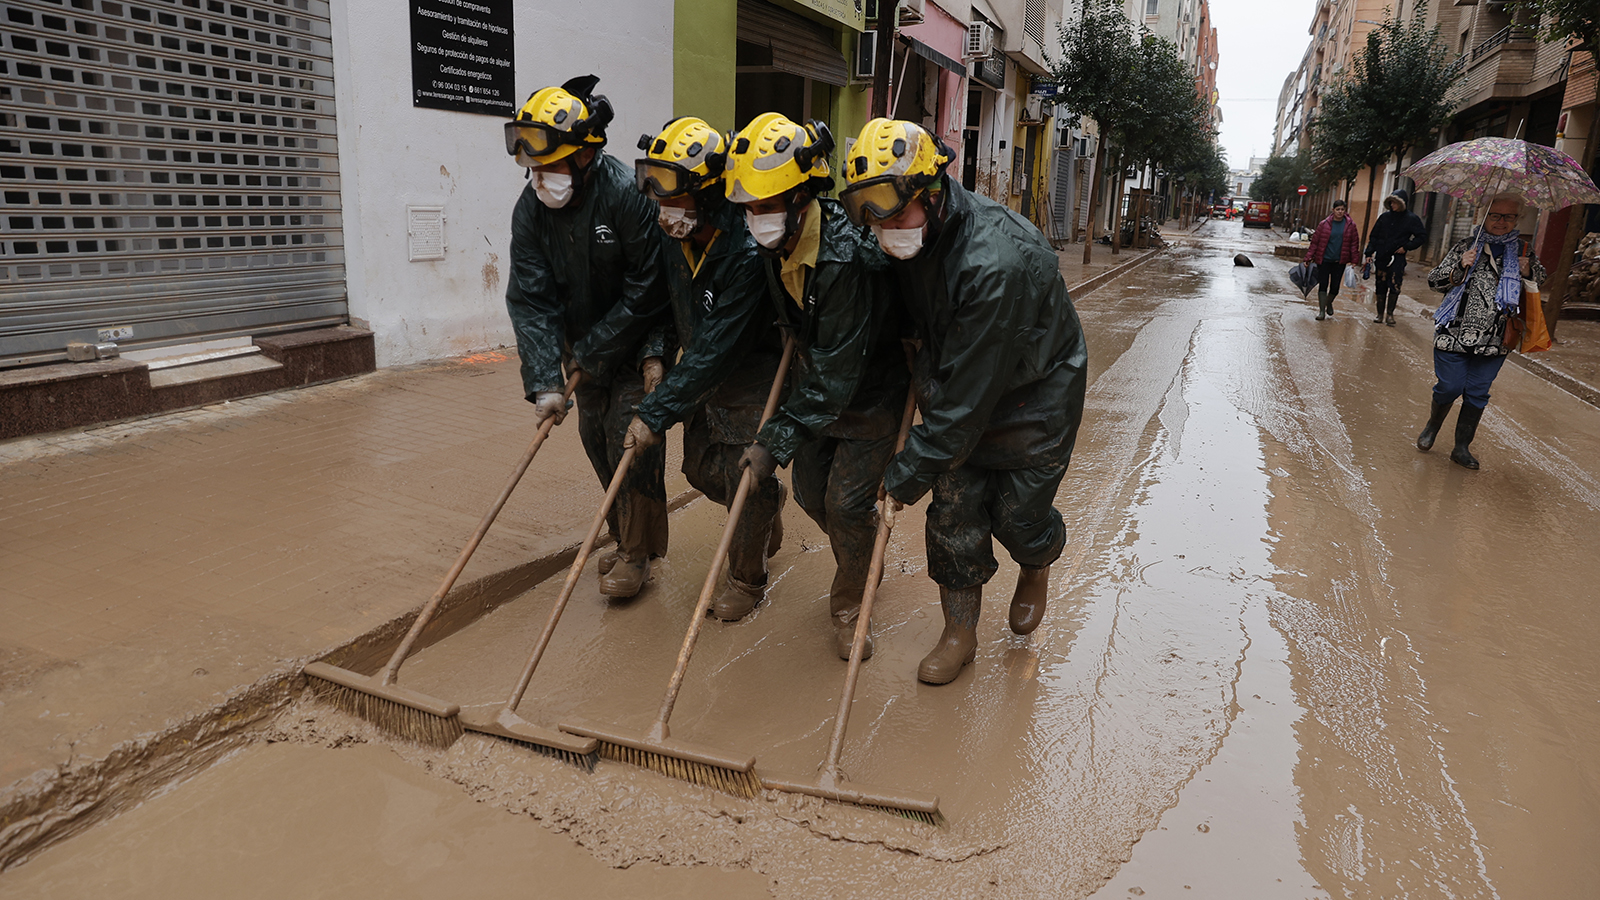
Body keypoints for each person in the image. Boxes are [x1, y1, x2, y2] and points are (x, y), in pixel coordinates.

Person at [840, 119, 1088, 685]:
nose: (882, 230)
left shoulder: (994, 262)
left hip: (1035, 397)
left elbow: (964, 409)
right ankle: (960, 632)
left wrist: (904, 473)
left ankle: (1038, 555)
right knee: (952, 512)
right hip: (957, 381)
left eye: (893, 214)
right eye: (871, 216)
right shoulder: (911, 232)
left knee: (1015, 515)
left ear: (931, 195)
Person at [725, 113, 909, 659]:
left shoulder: (845, 256)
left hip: (869, 393)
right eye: (749, 207)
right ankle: (865, 554)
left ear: (801, 198)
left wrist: (771, 442)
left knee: (846, 504)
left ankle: (851, 602)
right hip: (815, 390)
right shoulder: (773, 243)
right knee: (809, 493)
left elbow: (839, 375)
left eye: (766, 205)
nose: (755, 217)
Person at [502, 75, 671, 598]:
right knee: (597, 443)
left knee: (632, 446)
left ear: (584, 156)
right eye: (532, 166)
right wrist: (544, 378)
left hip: (635, 344)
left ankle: (638, 555)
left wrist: (601, 352)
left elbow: (649, 286)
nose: (539, 177)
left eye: (550, 164)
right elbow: (531, 298)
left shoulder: (624, 194)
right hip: (584, 355)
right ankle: (623, 540)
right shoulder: (530, 210)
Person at [623, 117, 788, 619]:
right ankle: (765, 512)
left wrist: (656, 414)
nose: (661, 205)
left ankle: (746, 578)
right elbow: (661, 305)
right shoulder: (676, 237)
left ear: (709, 192)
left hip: (750, 377)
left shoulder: (744, 250)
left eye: (673, 191)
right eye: (655, 189)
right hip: (700, 381)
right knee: (699, 471)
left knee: (746, 480)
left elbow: (719, 348)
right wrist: (654, 354)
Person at [1418, 193, 1545, 470]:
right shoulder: (1466, 245)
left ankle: (1461, 447)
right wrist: (1459, 266)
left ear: (1517, 219)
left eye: (1509, 216)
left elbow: (1541, 280)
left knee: (1477, 392)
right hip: (1454, 332)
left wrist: (1527, 272)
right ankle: (1432, 425)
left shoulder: (1524, 250)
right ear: (1484, 216)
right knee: (1449, 387)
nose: (1501, 222)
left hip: (1496, 338)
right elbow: (1434, 281)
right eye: (1495, 215)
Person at [1363, 188, 1428, 326]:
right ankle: (1380, 314)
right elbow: (1374, 236)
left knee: (1395, 285)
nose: (1392, 205)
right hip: (1382, 257)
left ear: (1402, 203)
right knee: (1380, 285)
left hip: (1397, 259)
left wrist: (1407, 247)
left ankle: (1390, 314)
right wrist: (1369, 253)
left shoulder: (1411, 219)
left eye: (1395, 203)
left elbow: (1421, 236)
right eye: (1391, 202)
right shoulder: (1384, 218)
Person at [1304, 199, 1361, 321]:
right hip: (1324, 259)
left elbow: (1354, 243)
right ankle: (1321, 311)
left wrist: (1355, 259)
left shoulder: (1350, 225)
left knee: (1335, 287)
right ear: (1333, 210)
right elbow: (1315, 242)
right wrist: (1308, 257)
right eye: (1338, 209)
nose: (1340, 212)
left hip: (1339, 261)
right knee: (1323, 284)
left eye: (1342, 209)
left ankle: (1328, 303)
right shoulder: (1323, 224)